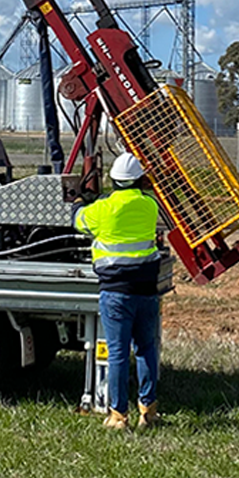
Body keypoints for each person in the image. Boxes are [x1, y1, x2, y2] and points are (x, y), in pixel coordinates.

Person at [73, 151, 163, 430]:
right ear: (138, 180)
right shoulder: (150, 205)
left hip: (115, 293)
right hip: (147, 290)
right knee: (146, 348)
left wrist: (80, 201)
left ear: (113, 180)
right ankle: (147, 410)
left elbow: (77, 220)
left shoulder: (103, 209)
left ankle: (118, 415)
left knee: (118, 353)